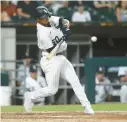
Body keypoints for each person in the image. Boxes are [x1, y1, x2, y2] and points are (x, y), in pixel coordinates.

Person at [24, 6, 94, 115]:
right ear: (38, 19)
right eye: (44, 18)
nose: (47, 19)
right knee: (52, 90)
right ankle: (30, 96)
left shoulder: (48, 18)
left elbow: (60, 20)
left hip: (61, 57)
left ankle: (87, 106)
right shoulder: (42, 33)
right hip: (49, 59)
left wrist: (65, 23)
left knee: (75, 81)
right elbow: (51, 50)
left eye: (47, 16)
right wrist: (63, 38)